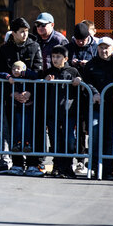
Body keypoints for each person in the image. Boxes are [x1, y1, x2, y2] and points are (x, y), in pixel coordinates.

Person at [0, 17, 43, 173]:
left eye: (26, 31)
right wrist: (12, 92)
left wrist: (29, 92)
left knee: (32, 130)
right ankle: (17, 163)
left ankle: (33, 164)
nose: (25, 34)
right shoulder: (4, 49)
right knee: (15, 130)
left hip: (30, 99)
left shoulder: (34, 47)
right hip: (11, 98)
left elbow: (39, 70)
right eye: (21, 32)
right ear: (13, 33)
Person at [82, 37, 113, 180]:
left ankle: (107, 170)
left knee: (109, 138)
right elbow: (86, 82)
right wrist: (94, 93)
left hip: (112, 108)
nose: (103, 50)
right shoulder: (90, 64)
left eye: (107, 47)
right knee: (94, 135)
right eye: (101, 47)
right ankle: (93, 166)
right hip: (95, 107)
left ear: (112, 49)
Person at [41, 45, 85, 178]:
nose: (55, 59)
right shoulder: (48, 72)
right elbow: (41, 90)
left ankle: (68, 166)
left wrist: (79, 81)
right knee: (55, 140)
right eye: (53, 56)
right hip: (52, 113)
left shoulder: (72, 71)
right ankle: (57, 166)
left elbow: (81, 88)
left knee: (70, 140)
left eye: (58, 56)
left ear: (65, 58)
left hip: (68, 113)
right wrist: (45, 82)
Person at [0, 61, 43, 176]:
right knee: (17, 127)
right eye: (14, 69)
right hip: (16, 108)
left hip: (28, 107)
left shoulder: (28, 76)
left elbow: (36, 75)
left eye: (19, 69)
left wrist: (25, 73)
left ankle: (28, 146)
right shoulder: (10, 76)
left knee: (27, 128)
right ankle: (17, 147)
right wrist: (8, 77)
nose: (16, 71)